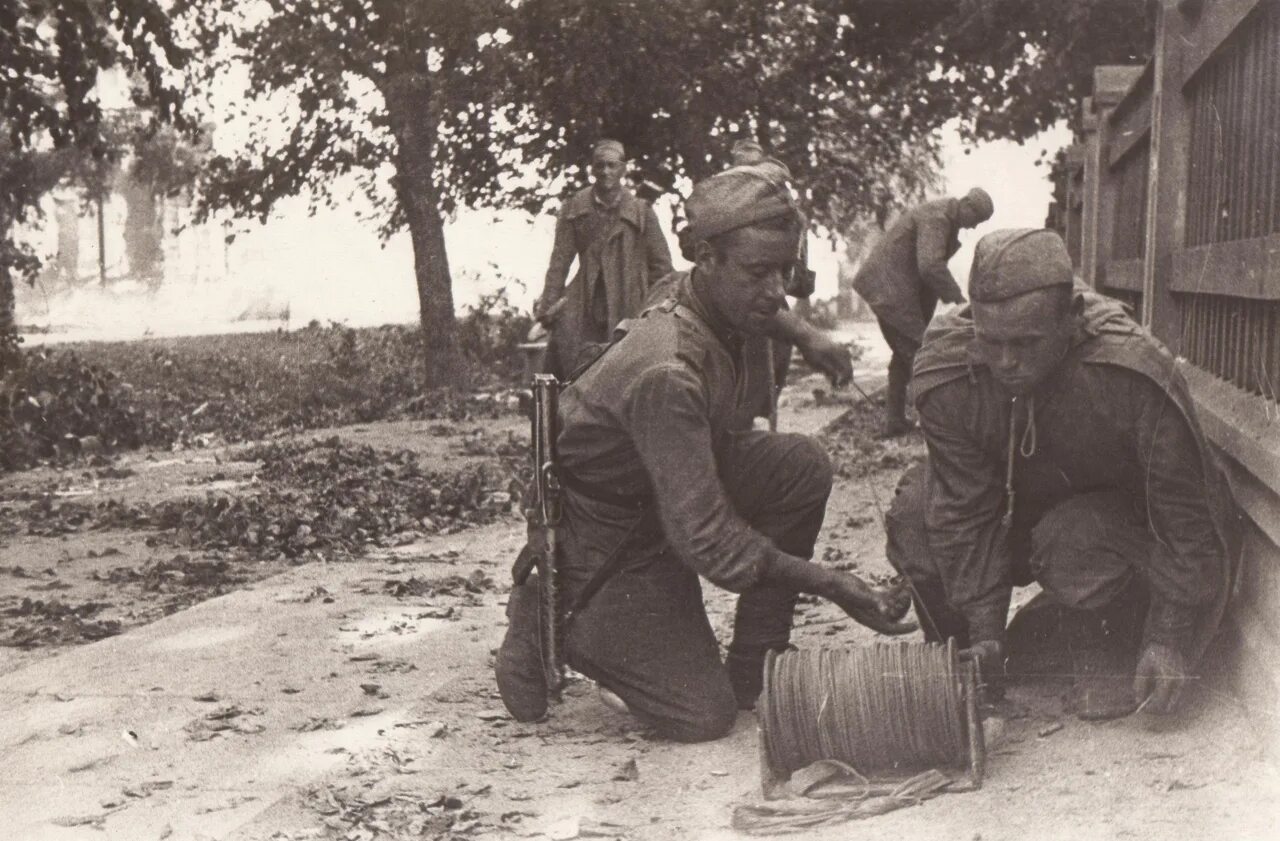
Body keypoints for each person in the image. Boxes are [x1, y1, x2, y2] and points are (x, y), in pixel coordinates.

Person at [497, 163, 914, 741]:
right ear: (708, 259)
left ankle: (755, 666)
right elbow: (710, 539)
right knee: (700, 715)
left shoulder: (693, 293)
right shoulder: (667, 371)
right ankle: (554, 609)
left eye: (784, 271)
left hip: (660, 485)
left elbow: (763, 304)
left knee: (798, 467)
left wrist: (809, 337)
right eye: (758, 272)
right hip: (609, 533)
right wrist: (833, 583)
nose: (775, 291)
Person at [884, 229, 1238, 721]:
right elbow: (963, 506)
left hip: (1117, 529)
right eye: (991, 341)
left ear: (1071, 321)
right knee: (917, 510)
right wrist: (986, 632)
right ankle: (965, 661)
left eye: (1027, 343)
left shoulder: (1131, 371)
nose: (1006, 362)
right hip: (1023, 514)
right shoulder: (948, 374)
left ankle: (1111, 645)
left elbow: (1186, 517)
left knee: (1072, 538)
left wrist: (1169, 636)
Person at [853, 187, 994, 436]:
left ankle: (895, 421)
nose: (972, 227)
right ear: (966, 204)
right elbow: (929, 266)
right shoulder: (938, 217)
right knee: (922, 357)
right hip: (890, 291)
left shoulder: (943, 217)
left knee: (903, 357)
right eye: (976, 220)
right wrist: (958, 300)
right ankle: (938, 424)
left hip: (895, 291)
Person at [534, 139, 674, 378]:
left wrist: (658, 308)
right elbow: (559, 262)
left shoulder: (641, 212)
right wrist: (548, 307)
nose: (605, 172)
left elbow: (662, 268)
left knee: (629, 372)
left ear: (623, 169)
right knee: (574, 368)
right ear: (592, 169)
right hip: (585, 304)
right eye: (600, 166)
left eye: (612, 165)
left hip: (629, 302)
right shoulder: (574, 209)